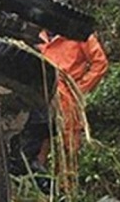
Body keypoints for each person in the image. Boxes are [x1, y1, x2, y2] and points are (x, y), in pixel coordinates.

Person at [29, 29, 109, 184]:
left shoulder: (78, 32)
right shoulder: (36, 34)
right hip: (39, 96)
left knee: (68, 146)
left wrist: (78, 88)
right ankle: (35, 184)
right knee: (37, 140)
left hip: (66, 100)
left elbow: (100, 63)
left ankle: (66, 187)